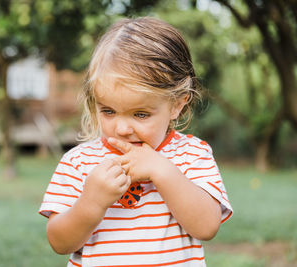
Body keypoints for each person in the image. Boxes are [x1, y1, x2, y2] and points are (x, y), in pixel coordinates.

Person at [39, 17, 233, 266]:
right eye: (108, 111)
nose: (121, 128)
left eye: (140, 114)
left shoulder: (192, 155)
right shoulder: (78, 162)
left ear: (176, 104)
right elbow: (59, 242)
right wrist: (91, 202)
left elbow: (207, 226)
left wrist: (161, 169)